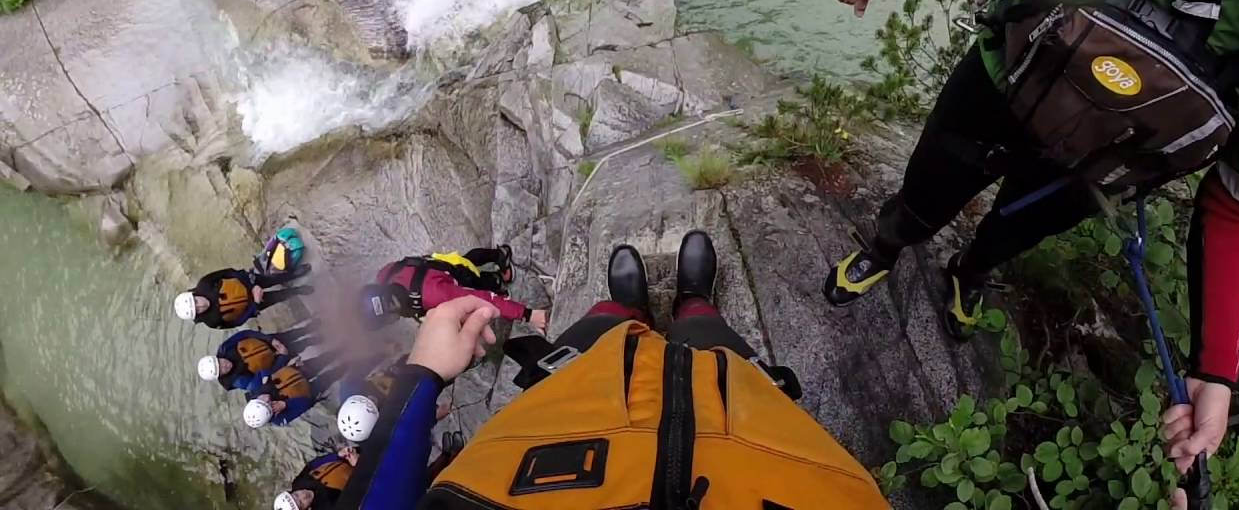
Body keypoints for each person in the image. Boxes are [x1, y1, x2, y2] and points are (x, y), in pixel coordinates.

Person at [826, 0, 1239, 495]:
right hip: (1053, 122)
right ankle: (888, 245)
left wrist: (1215, 371)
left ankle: (967, 272)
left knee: (1008, 229)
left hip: (1065, 132)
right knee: (927, 193)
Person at [334, 231, 889, 509]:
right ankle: (693, 306)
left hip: (550, 463)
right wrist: (424, 377)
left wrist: (424, 375)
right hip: (764, 458)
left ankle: (626, 310)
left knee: (594, 344)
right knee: (714, 350)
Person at [358, 245, 549, 334]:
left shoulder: (435, 295)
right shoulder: (386, 274)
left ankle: (499, 258)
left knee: (477, 279)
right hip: (437, 265)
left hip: (450, 275)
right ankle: (494, 268)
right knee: (466, 265)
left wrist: (527, 314)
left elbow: (482, 300)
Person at [174, 265, 311, 329]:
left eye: (196, 302)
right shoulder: (212, 321)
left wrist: (251, 284)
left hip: (247, 283)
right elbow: (238, 322)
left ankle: (294, 273)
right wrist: (255, 305)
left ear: (194, 295)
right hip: (252, 304)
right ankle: (298, 290)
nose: (201, 305)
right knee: (278, 297)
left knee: (271, 280)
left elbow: (229, 272)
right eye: (198, 310)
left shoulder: (205, 283)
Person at [196, 322, 322, 391]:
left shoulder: (225, 348)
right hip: (273, 360)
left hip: (265, 344)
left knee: (290, 334)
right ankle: (314, 340)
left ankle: (309, 327)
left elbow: (245, 334)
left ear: (218, 357)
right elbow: (268, 376)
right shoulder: (240, 381)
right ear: (221, 375)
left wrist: (270, 340)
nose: (225, 365)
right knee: (299, 346)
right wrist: (282, 357)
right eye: (222, 370)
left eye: (220, 362)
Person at [243, 350, 347, 428]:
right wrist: (286, 404)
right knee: (332, 376)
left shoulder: (254, 389)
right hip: (309, 390)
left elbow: (263, 370)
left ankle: (341, 350)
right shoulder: (279, 419)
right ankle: (347, 365)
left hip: (295, 372)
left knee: (322, 360)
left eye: (262, 401)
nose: (267, 400)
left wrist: (266, 378)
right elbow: (306, 403)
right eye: (269, 404)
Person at [273, 447, 359, 510]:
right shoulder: (327, 506)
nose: (303, 495)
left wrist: (338, 455)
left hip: (348, 456)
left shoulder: (299, 483)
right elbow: (358, 494)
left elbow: (313, 464)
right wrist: (359, 466)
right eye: (301, 503)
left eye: (296, 495)